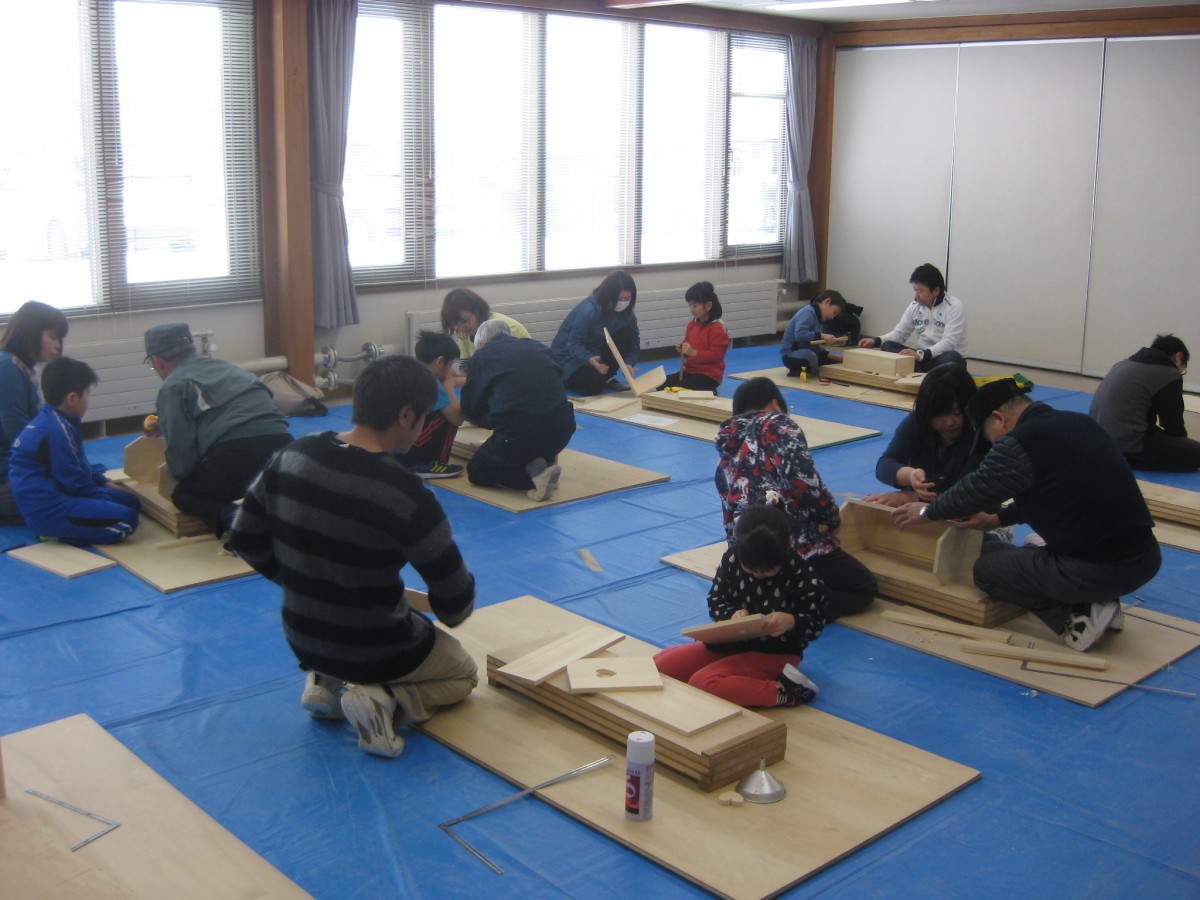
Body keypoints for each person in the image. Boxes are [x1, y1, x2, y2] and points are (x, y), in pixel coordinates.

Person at [227, 355, 478, 759]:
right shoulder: (406, 493)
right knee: (463, 673)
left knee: (342, 610)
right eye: (423, 417)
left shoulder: (292, 455)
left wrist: (302, 579)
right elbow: (454, 603)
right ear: (405, 415)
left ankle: (323, 684)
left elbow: (244, 537)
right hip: (375, 646)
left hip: (303, 636)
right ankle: (386, 703)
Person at [893, 378, 1161, 652]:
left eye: (988, 436)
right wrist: (996, 520)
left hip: (1097, 570)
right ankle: (1102, 601)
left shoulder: (1019, 442)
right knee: (1007, 545)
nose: (991, 444)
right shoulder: (1078, 423)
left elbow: (975, 490)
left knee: (985, 571)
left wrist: (927, 511)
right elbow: (1055, 493)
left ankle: (1078, 616)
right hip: (1145, 559)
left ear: (999, 419)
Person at [715, 377, 878, 621]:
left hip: (748, 558)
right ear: (775, 404)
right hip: (789, 549)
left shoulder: (728, 439)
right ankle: (793, 612)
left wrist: (739, 559)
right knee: (863, 587)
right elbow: (802, 479)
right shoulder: (776, 423)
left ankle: (764, 598)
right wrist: (831, 519)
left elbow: (729, 507)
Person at [654, 504, 826, 708]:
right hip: (730, 643)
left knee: (703, 682)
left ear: (787, 547)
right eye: (751, 570)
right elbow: (716, 601)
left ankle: (786, 690)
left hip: (775, 652)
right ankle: (731, 674)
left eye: (768, 571)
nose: (758, 575)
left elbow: (816, 622)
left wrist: (791, 621)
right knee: (660, 666)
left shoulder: (801, 573)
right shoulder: (732, 558)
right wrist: (732, 615)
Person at [144, 322, 293, 535]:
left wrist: (182, 473)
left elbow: (181, 458)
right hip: (285, 448)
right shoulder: (231, 370)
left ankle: (242, 524)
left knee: (185, 495)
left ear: (158, 361)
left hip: (238, 453)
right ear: (192, 348)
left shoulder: (173, 385)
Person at [9, 357, 140, 544]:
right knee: (127, 520)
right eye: (87, 394)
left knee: (131, 501)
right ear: (72, 399)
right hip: (49, 510)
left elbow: (79, 463)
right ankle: (56, 533)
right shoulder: (56, 429)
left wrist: (104, 483)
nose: (88, 400)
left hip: (58, 493)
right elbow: (75, 483)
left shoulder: (56, 419)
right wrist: (103, 499)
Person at [460, 319, 577, 501]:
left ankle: (533, 478)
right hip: (563, 431)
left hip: (520, 435)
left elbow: (471, 408)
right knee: (528, 441)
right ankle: (542, 464)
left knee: (477, 471)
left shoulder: (482, 356)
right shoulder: (538, 347)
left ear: (481, 344)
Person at [864, 364, 983, 508]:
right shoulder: (918, 421)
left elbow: (971, 494)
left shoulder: (981, 435)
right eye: (940, 415)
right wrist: (910, 475)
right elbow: (885, 464)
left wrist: (911, 498)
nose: (950, 422)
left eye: (957, 413)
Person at [1089, 334, 1199, 472]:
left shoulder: (1123, 364)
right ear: (1178, 357)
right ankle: (1132, 461)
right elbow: (1173, 424)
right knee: (1195, 453)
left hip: (1098, 439)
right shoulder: (1169, 373)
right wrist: (1182, 445)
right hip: (1128, 443)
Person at [1, 301, 68, 524]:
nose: (58, 345)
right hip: (6, 475)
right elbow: (20, 436)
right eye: (53, 337)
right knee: (70, 495)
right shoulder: (8, 368)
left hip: (13, 468)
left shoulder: (21, 366)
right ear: (31, 333)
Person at [858, 263, 966, 372]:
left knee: (953, 357)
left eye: (920, 291)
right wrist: (875, 341)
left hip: (942, 358)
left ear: (936, 291)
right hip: (921, 358)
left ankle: (916, 370)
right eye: (915, 290)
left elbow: (949, 342)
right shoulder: (915, 305)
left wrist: (921, 355)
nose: (916, 296)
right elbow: (900, 333)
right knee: (887, 345)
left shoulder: (954, 306)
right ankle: (919, 371)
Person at [550, 270, 640, 396]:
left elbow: (634, 341)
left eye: (627, 299)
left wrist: (629, 363)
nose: (623, 302)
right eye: (619, 299)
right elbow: (574, 343)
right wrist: (589, 359)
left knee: (625, 334)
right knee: (593, 386)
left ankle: (606, 376)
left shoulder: (628, 312)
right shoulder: (589, 309)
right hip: (570, 358)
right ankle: (568, 379)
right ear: (609, 296)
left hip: (596, 352)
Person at [392, 331, 465, 479]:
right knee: (447, 415)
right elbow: (457, 418)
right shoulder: (430, 382)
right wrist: (448, 385)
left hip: (386, 447)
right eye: (450, 364)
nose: (451, 370)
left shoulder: (407, 371)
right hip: (406, 454)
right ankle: (432, 463)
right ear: (440, 361)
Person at [440, 288, 530, 382]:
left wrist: (456, 381)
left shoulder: (501, 328)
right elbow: (466, 370)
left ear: (477, 311)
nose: (462, 328)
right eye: (455, 325)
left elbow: (503, 374)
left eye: (465, 321)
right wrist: (453, 376)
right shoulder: (466, 333)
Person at [661, 282, 730, 393]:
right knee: (662, 384)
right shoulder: (691, 325)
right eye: (689, 305)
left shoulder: (717, 328)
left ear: (708, 306)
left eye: (695, 305)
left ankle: (709, 389)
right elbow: (689, 348)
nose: (691, 309)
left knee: (678, 390)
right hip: (690, 371)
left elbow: (716, 356)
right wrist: (682, 348)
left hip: (709, 375)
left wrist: (693, 352)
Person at [779, 290, 848, 377]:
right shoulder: (808, 312)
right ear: (827, 301)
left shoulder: (819, 319)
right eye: (834, 312)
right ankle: (813, 372)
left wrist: (835, 357)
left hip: (806, 350)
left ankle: (807, 369)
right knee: (811, 356)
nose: (832, 317)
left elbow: (814, 346)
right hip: (791, 355)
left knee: (831, 361)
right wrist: (822, 336)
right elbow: (800, 335)